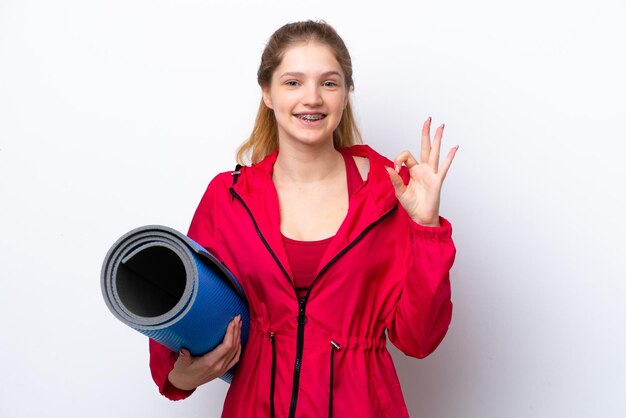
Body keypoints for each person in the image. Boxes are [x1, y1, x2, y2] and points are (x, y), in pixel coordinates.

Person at [149, 20, 458, 418]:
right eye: (293, 82)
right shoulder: (228, 197)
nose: (312, 98)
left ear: (346, 94)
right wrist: (181, 376)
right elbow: (180, 303)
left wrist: (426, 226)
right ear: (267, 93)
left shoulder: (391, 192)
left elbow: (419, 339)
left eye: (329, 83)